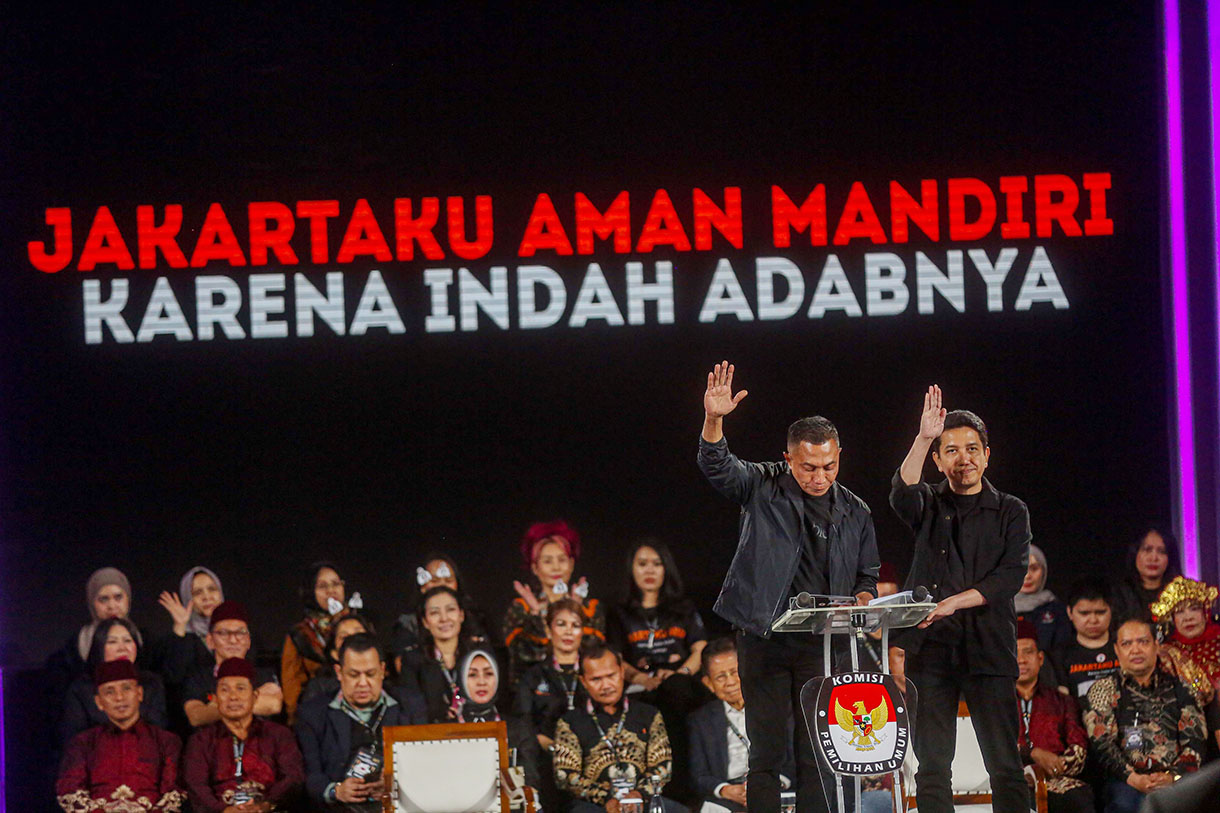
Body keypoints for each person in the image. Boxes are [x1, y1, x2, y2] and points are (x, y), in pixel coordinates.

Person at [697, 361, 879, 813]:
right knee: (767, 751)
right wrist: (715, 419)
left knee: (818, 750)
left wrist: (864, 599)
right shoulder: (762, 485)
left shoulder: (856, 511)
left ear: (840, 457)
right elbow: (718, 466)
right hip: (765, 638)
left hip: (822, 642)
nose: (819, 477)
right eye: (808, 467)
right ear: (788, 459)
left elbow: (867, 575)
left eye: (828, 466)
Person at [890, 386, 1029, 812]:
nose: (962, 458)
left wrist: (954, 601)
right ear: (938, 460)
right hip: (932, 649)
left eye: (972, 449)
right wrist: (923, 437)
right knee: (932, 765)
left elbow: (1010, 576)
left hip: (989, 647)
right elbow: (901, 492)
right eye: (951, 450)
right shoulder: (929, 502)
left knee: (1005, 763)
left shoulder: (1011, 510)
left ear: (987, 455)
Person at [1084, 617, 1206, 813]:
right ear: (1116, 649)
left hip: (1176, 781)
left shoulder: (1182, 688)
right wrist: (1133, 778)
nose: (1136, 650)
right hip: (1126, 781)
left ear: (1156, 646)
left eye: (1143, 642)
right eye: (1127, 643)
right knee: (1124, 804)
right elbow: (1102, 744)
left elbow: (1195, 742)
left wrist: (1172, 776)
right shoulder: (1103, 689)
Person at [295, 633, 426, 810]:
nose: (363, 683)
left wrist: (394, 783)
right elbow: (310, 775)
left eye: (370, 674)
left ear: (382, 670)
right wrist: (336, 791)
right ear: (339, 672)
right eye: (354, 675)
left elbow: (423, 766)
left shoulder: (410, 706)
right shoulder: (313, 714)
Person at [553, 641, 678, 813]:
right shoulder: (570, 722)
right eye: (596, 679)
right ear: (583, 681)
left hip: (644, 800)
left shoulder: (648, 714)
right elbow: (565, 776)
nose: (605, 686)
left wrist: (638, 794)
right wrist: (606, 799)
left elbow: (663, 766)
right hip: (594, 806)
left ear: (621, 672)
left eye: (611, 676)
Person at [56, 659, 184, 812]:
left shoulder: (166, 741)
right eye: (110, 692)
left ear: (140, 693)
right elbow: (69, 789)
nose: (119, 697)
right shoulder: (83, 743)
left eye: (126, 688)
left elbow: (174, 792)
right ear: (99, 702)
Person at [183, 657, 304, 811]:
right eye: (225, 690)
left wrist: (265, 805)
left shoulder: (278, 735)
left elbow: (293, 778)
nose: (233, 697)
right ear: (216, 698)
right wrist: (223, 810)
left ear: (254, 697)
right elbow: (196, 786)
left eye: (240, 688)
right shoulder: (201, 741)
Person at [689, 637, 793, 813]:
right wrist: (724, 790)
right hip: (728, 795)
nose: (730, 682)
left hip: (774, 786)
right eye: (721, 677)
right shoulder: (701, 720)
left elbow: (795, 760)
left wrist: (773, 784)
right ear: (709, 684)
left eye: (734, 672)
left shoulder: (774, 707)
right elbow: (699, 774)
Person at [503, 520, 606, 685]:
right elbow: (522, 655)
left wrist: (575, 612)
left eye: (562, 560)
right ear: (535, 568)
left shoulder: (589, 608)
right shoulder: (521, 608)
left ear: (571, 564)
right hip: (532, 693)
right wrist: (537, 615)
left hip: (580, 688)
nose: (556, 567)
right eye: (547, 561)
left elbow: (592, 653)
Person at [514, 598, 589, 812]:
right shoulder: (533, 675)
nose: (568, 632)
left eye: (575, 625)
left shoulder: (594, 671)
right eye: (561, 624)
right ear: (548, 630)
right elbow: (524, 721)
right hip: (547, 756)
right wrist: (553, 747)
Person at [1014, 620, 1093, 813]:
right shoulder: (994, 703)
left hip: (1054, 779)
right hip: (1010, 779)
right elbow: (990, 744)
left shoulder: (1061, 701)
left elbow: (1078, 747)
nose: (1022, 660)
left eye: (1028, 652)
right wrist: (1031, 754)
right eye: (1015, 653)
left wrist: (1051, 768)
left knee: (1079, 796)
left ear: (1041, 659)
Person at [61, 617, 169, 745]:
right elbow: (74, 741)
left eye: (128, 640)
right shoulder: (81, 688)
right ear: (99, 646)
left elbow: (160, 733)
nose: (122, 648)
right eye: (112, 642)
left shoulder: (151, 682)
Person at [47, 567, 140, 711]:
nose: (112, 606)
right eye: (104, 599)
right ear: (92, 603)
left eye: (118, 597)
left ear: (128, 599)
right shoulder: (73, 649)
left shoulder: (144, 641)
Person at [182, 601, 283, 728]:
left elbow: (273, 705)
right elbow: (196, 716)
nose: (233, 640)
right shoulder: (198, 678)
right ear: (210, 641)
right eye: (224, 633)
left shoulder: (265, 674)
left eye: (240, 633)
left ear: (248, 641)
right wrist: (252, 699)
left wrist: (216, 704)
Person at [400, 585, 487, 722]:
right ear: (425, 622)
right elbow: (414, 710)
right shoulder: (413, 660)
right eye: (435, 613)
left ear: (461, 615)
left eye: (450, 610)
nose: (444, 618)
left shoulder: (479, 654)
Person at [282, 561, 353, 722]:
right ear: (310, 591)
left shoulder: (358, 625)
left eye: (336, 584)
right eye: (322, 586)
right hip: (318, 709)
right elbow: (291, 686)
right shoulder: (299, 634)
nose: (331, 591)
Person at [390, 552, 490, 664]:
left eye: (448, 580)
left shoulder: (474, 618)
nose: (442, 585)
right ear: (422, 586)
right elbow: (403, 666)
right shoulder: (408, 625)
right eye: (435, 581)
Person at [1052, 579, 1121, 703]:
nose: (1093, 620)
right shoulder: (1059, 655)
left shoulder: (1126, 646)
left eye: (1100, 612)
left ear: (1111, 610)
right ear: (1070, 612)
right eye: (1084, 613)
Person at [1151, 576, 1220, 693]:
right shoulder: (1167, 653)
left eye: (1194, 609)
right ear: (1172, 619)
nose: (1188, 618)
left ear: (1205, 612)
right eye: (1179, 612)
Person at [1110, 529, 1181, 637]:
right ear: (1135, 554)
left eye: (1162, 551)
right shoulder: (1118, 594)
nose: (1154, 558)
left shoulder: (1181, 593)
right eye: (1147, 550)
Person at [300, 613, 375, 708]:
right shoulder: (319, 690)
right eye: (344, 637)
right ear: (334, 654)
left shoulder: (389, 691)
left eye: (358, 634)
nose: (352, 641)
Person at [1016, 544, 1073, 657]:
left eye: (1034, 568)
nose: (1027, 576)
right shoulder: (997, 608)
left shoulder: (1056, 609)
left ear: (1044, 570)